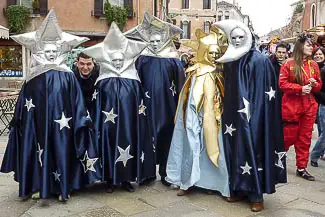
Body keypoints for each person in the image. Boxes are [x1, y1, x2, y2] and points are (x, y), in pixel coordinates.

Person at [0, 9, 100, 202]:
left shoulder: (68, 77)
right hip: (39, 126)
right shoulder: (32, 79)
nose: (52, 54)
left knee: (62, 151)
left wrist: (83, 119)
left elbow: (77, 100)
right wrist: (19, 121)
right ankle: (39, 185)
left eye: (54, 51)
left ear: (60, 51)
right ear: (41, 52)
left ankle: (64, 186)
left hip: (64, 126)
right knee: (39, 151)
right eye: (48, 51)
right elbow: (23, 104)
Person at [213, 20, 287, 212]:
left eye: (240, 37)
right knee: (235, 149)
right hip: (233, 117)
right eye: (233, 37)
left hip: (255, 117)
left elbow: (266, 94)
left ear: (248, 38)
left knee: (254, 150)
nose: (237, 41)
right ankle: (239, 188)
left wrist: (257, 118)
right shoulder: (231, 60)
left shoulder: (260, 61)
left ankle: (256, 195)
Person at [82, 22, 156, 193]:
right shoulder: (102, 82)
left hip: (129, 124)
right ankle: (109, 179)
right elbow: (97, 103)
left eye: (120, 60)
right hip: (108, 126)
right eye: (114, 60)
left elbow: (139, 104)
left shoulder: (133, 82)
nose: (117, 63)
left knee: (129, 144)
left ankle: (126, 179)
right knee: (108, 146)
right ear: (109, 60)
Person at [166, 28, 230, 197]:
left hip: (215, 116)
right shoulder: (195, 72)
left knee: (214, 145)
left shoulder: (221, 72)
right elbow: (189, 95)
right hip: (195, 114)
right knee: (191, 144)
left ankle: (211, 182)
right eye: (211, 53)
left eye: (217, 54)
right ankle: (187, 181)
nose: (214, 57)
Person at [125, 12, 185, 186]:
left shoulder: (174, 61)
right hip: (146, 107)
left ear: (164, 41)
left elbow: (180, 85)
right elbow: (136, 82)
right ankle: (147, 172)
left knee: (167, 138)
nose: (155, 44)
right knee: (146, 137)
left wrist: (180, 106)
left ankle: (166, 173)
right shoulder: (142, 60)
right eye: (152, 41)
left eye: (158, 41)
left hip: (168, 108)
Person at [279, 32, 322, 181]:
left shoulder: (314, 65)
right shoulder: (288, 63)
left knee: (305, 138)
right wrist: (299, 88)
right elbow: (282, 84)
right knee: (287, 137)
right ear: (300, 46)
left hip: (309, 107)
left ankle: (301, 168)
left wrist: (315, 85)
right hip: (291, 106)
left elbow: (318, 86)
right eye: (309, 45)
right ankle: (278, 161)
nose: (312, 48)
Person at [310, 46, 325, 167]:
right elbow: (317, 90)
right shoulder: (311, 68)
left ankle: (320, 153)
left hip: (320, 104)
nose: (318, 56)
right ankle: (315, 155)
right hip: (318, 104)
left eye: (321, 54)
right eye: (316, 54)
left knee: (322, 132)